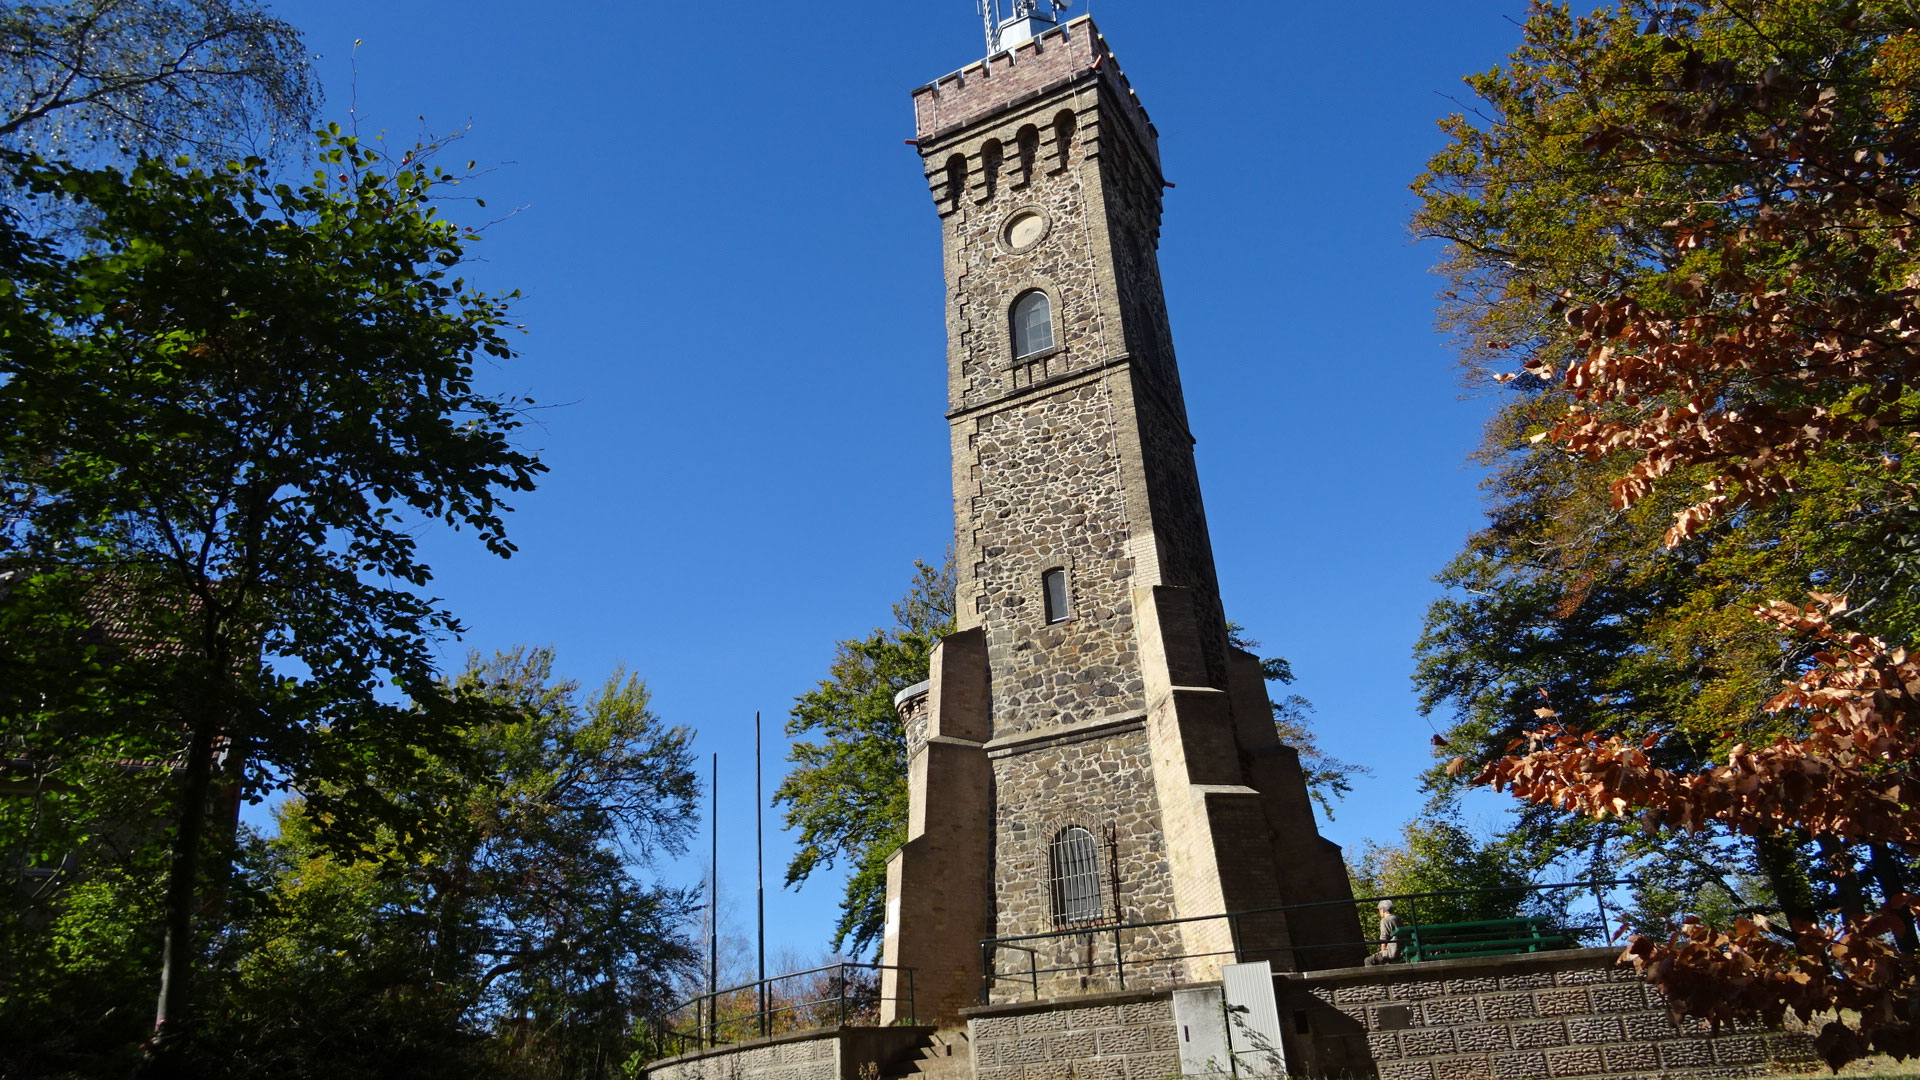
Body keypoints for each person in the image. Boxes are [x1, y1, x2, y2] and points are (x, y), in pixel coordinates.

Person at [1365, 900, 1400, 966]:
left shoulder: (1385, 921)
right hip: (1401, 950)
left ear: (1382, 910)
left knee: (1368, 960)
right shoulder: (1397, 919)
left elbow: (1384, 939)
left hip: (1391, 952)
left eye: (1379, 910)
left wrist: (1382, 951)